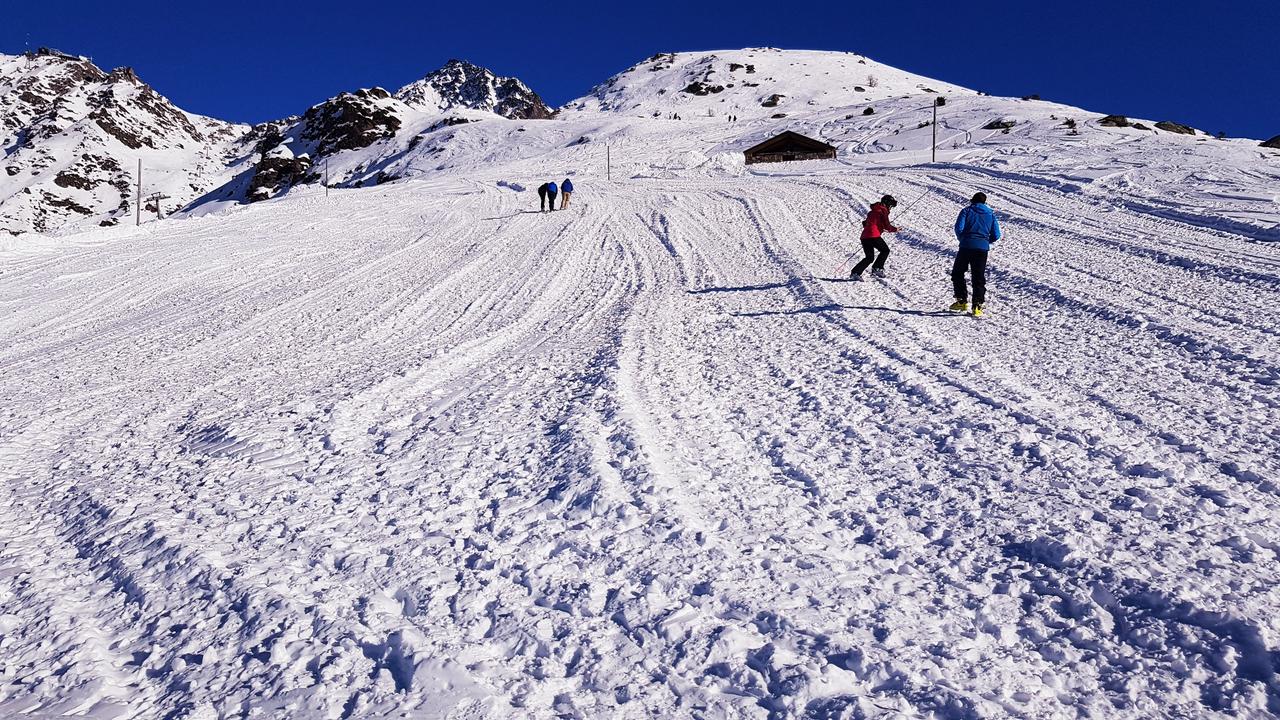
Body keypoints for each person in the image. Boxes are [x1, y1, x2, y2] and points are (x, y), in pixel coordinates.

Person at [949, 192, 1001, 317]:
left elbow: (958, 228)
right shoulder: (990, 214)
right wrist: (985, 241)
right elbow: (996, 235)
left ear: (972, 200)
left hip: (966, 246)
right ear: (984, 202)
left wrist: (964, 239)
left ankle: (961, 301)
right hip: (982, 249)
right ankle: (977, 305)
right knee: (978, 277)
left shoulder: (966, 211)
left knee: (958, 273)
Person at [849, 195, 898, 280]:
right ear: (887, 204)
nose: (890, 208)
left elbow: (865, 223)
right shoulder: (883, 211)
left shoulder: (872, 211)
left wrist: (879, 227)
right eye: (890, 206)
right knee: (885, 250)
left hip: (864, 237)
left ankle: (855, 273)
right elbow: (887, 225)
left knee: (869, 257)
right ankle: (877, 268)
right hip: (873, 236)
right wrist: (895, 229)